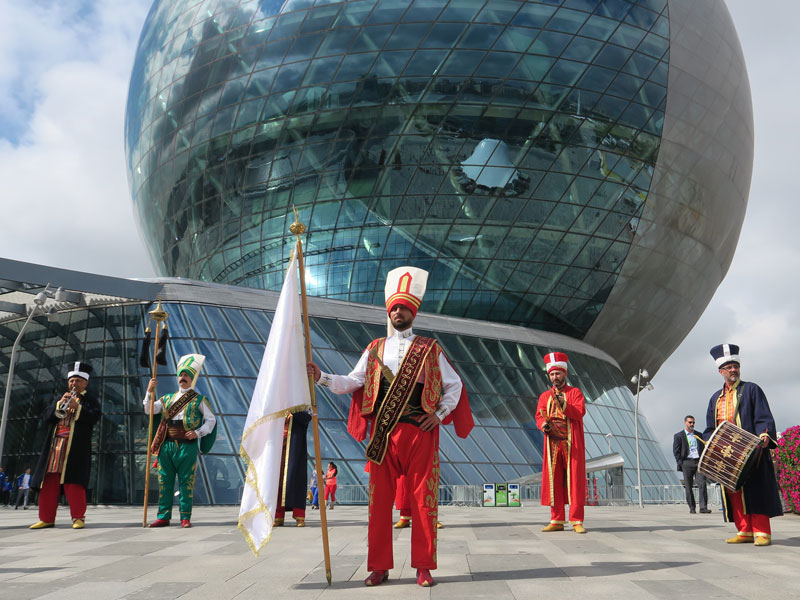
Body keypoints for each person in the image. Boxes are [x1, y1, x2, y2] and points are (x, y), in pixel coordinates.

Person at [307, 266, 472, 587]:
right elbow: (353, 381)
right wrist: (322, 377)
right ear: (389, 312)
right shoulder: (375, 348)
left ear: (413, 313)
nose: (398, 312)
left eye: (404, 308)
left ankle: (423, 567)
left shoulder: (429, 348)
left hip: (419, 433)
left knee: (423, 500)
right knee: (379, 503)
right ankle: (379, 566)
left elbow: (454, 385)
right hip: (383, 434)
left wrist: (439, 414)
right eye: (394, 308)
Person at [703, 344, 782, 546]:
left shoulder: (751, 389)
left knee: (756, 490)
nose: (733, 370)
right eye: (728, 367)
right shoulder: (715, 398)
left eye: (735, 366)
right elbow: (710, 427)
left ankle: (762, 532)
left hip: (752, 451)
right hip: (728, 455)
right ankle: (744, 530)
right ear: (720, 371)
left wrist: (764, 435)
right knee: (734, 492)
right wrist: (710, 442)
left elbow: (763, 416)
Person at [144, 354, 217, 528]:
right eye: (181, 375)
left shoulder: (199, 399)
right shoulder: (167, 398)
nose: (182, 378)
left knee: (186, 481)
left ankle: (185, 517)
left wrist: (198, 433)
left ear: (191, 379)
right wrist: (149, 391)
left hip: (187, 445)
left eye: (186, 375)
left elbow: (211, 420)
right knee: (164, 481)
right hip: (167, 445)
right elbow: (149, 410)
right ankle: (163, 516)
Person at [30, 362, 101, 529]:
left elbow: (94, 417)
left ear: (85, 383)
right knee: (49, 482)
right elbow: (45, 417)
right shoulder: (60, 397)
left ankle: (78, 517)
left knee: (73, 482)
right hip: (54, 446)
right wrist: (58, 405)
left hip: (75, 447)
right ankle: (46, 518)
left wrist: (78, 408)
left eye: (78, 381)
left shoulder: (90, 400)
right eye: (71, 381)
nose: (74, 384)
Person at [535, 352, 587, 534]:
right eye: (552, 374)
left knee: (575, 482)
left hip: (571, 444)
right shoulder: (544, 396)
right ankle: (556, 519)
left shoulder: (575, 393)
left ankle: (576, 520)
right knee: (554, 482)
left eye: (557, 373)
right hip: (552, 444)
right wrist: (544, 425)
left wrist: (564, 404)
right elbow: (539, 416)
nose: (555, 377)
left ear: (565, 373)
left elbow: (579, 412)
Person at [274, 411, 311, 526]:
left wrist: (294, 411)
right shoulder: (277, 407)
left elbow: (307, 418)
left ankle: (299, 516)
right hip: (277, 449)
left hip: (294, 449)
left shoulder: (299, 406)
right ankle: (278, 516)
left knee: (296, 482)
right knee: (277, 484)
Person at [673, 416, 709, 514]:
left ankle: (703, 507)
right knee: (688, 486)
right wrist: (681, 463)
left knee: (702, 484)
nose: (692, 424)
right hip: (687, 463)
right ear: (685, 423)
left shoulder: (699, 435)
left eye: (693, 422)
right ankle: (692, 507)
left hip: (698, 462)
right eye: (690, 422)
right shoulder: (678, 436)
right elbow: (676, 451)